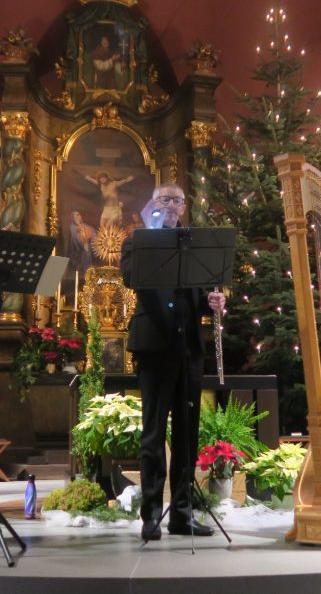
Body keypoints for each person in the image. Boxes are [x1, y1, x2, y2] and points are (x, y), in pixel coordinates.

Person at [120, 183, 225, 541]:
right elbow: (132, 278)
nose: (171, 206)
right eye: (164, 200)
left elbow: (197, 299)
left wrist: (211, 301)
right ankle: (150, 514)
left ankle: (182, 514)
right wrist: (151, 227)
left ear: (183, 207)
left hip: (189, 349)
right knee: (152, 436)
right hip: (154, 347)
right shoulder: (138, 239)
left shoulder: (193, 244)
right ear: (152, 203)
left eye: (177, 201)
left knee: (187, 436)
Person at [67, 210, 95, 277]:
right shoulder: (72, 227)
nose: (78, 217)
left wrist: (90, 234)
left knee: (88, 263)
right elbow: (73, 238)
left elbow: (93, 232)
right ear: (73, 217)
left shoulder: (84, 225)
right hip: (78, 251)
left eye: (79, 215)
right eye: (76, 215)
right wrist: (80, 237)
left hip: (86, 249)